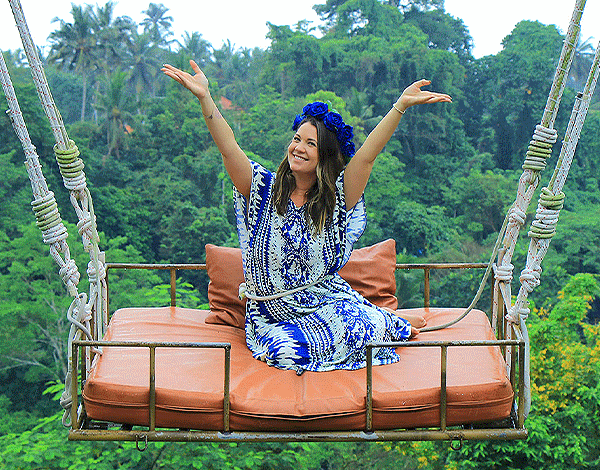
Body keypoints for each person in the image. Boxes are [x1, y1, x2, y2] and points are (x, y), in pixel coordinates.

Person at [162, 60, 452, 375]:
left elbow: (367, 156)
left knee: (351, 324)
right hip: (273, 316)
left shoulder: (335, 199)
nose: (298, 148)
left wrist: (400, 106)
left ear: (324, 156)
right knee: (287, 351)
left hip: (328, 304)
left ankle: (383, 321)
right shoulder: (262, 189)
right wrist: (205, 98)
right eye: (297, 139)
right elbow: (229, 149)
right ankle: (385, 321)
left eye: (310, 144)